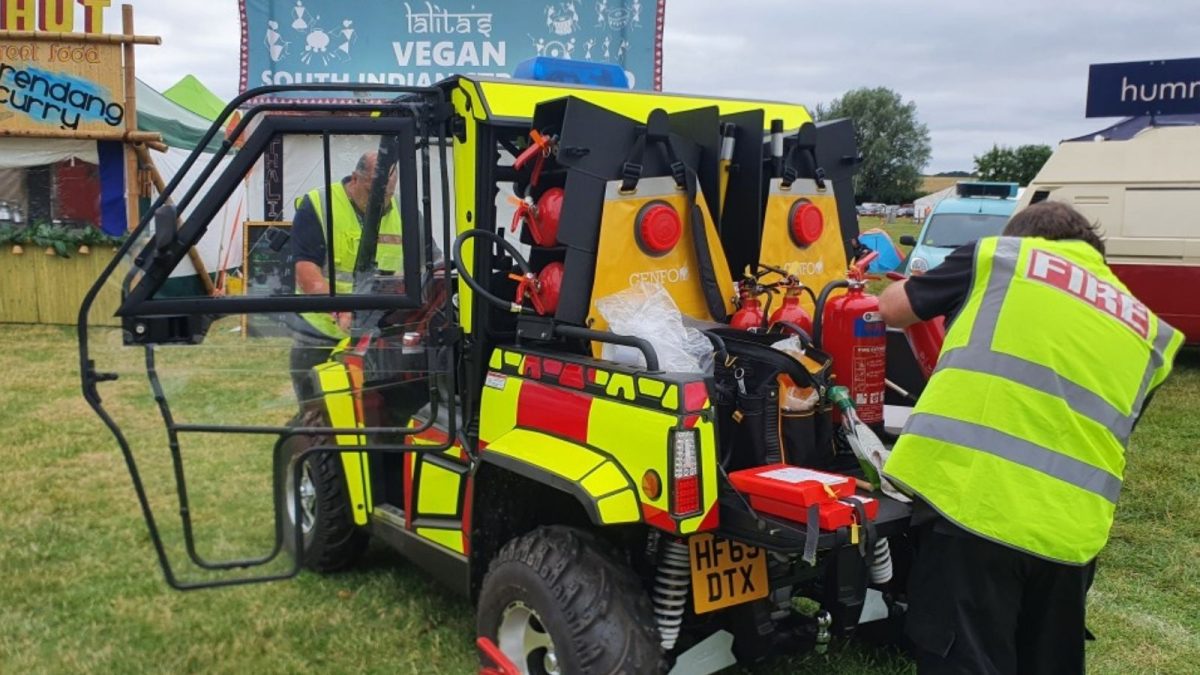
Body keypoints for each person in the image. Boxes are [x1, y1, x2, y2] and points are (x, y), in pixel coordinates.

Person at [878, 201, 1182, 674]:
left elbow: (892, 309)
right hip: (1071, 533)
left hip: (974, 506)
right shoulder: (1151, 331)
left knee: (967, 659)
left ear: (1023, 237)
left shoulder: (1002, 257)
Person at [289, 151, 403, 404]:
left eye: (387, 193)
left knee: (373, 415)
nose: (380, 201)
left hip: (378, 339)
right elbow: (306, 271)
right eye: (374, 191)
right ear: (355, 178)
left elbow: (430, 263)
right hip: (320, 336)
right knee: (318, 415)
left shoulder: (405, 214)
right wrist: (342, 306)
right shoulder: (320, 204)